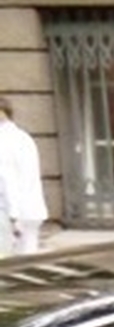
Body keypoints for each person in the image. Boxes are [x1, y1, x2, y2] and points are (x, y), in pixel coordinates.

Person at [0, 97, 49, 255]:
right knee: (27, 261)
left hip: (10, 213)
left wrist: (14, 215)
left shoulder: (3, 140)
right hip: (32, 210)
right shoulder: (24, 138)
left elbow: (7, 179)